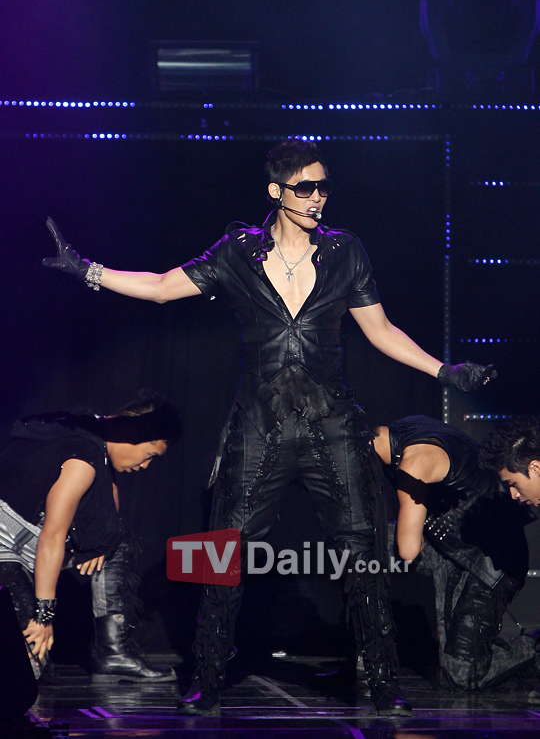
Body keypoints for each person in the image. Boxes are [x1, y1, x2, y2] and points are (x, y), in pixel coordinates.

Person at [42, 138, 495, 716]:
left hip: (332, 424)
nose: (317, 198)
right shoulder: (239, 252)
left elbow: (380, 330)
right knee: (224, 548)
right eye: (305, 188)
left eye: (323, 187)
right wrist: (88, 271)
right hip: (260, 426)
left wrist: (444, 371)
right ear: (276, 191)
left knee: (361, 550)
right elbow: (160, 287)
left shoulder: (346, 252)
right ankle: (207, 677)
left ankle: (385, 685)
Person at [0, 392, 181, 683]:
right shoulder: (83, 460)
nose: (145, 466)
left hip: (28, 546)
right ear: (132, 435)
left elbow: (109, 502)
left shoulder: (93, 437)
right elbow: (51, 538)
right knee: (30, 670)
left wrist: (101, 544)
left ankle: (113, 653)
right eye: (150, 456)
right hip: (7, 550)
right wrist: (44, 617)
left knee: (115, 543)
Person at [372, 415, 536, 690]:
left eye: (514, 485)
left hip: (490, 564)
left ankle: (531, 649)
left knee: (460, 676)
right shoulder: (405, 429)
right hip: (449, 547)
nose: (513, 494)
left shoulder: (415, 459)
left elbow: (408, 550)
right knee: (360, 543)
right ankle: (369, 655)